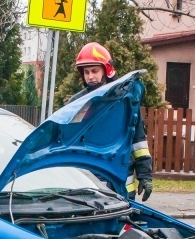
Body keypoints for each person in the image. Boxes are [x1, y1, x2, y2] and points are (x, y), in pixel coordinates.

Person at [66, 42, 153, 201]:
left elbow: (138, 141)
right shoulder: (77, 104)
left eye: (94, 71)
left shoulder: (125, 100)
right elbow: (67, 141)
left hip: (122, 186)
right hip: (87, 184)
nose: (90, 76)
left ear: (106, 70)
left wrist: (145, 175)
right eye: (86, 72)